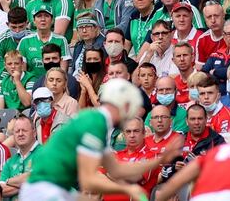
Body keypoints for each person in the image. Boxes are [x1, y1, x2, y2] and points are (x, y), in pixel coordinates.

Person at [18, 78, 182, 200]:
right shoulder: (96, 123)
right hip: (46, 190)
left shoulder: (97, 121)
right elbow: (89, 180)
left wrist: (159, 160)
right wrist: (127, 190)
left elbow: (116, 169)